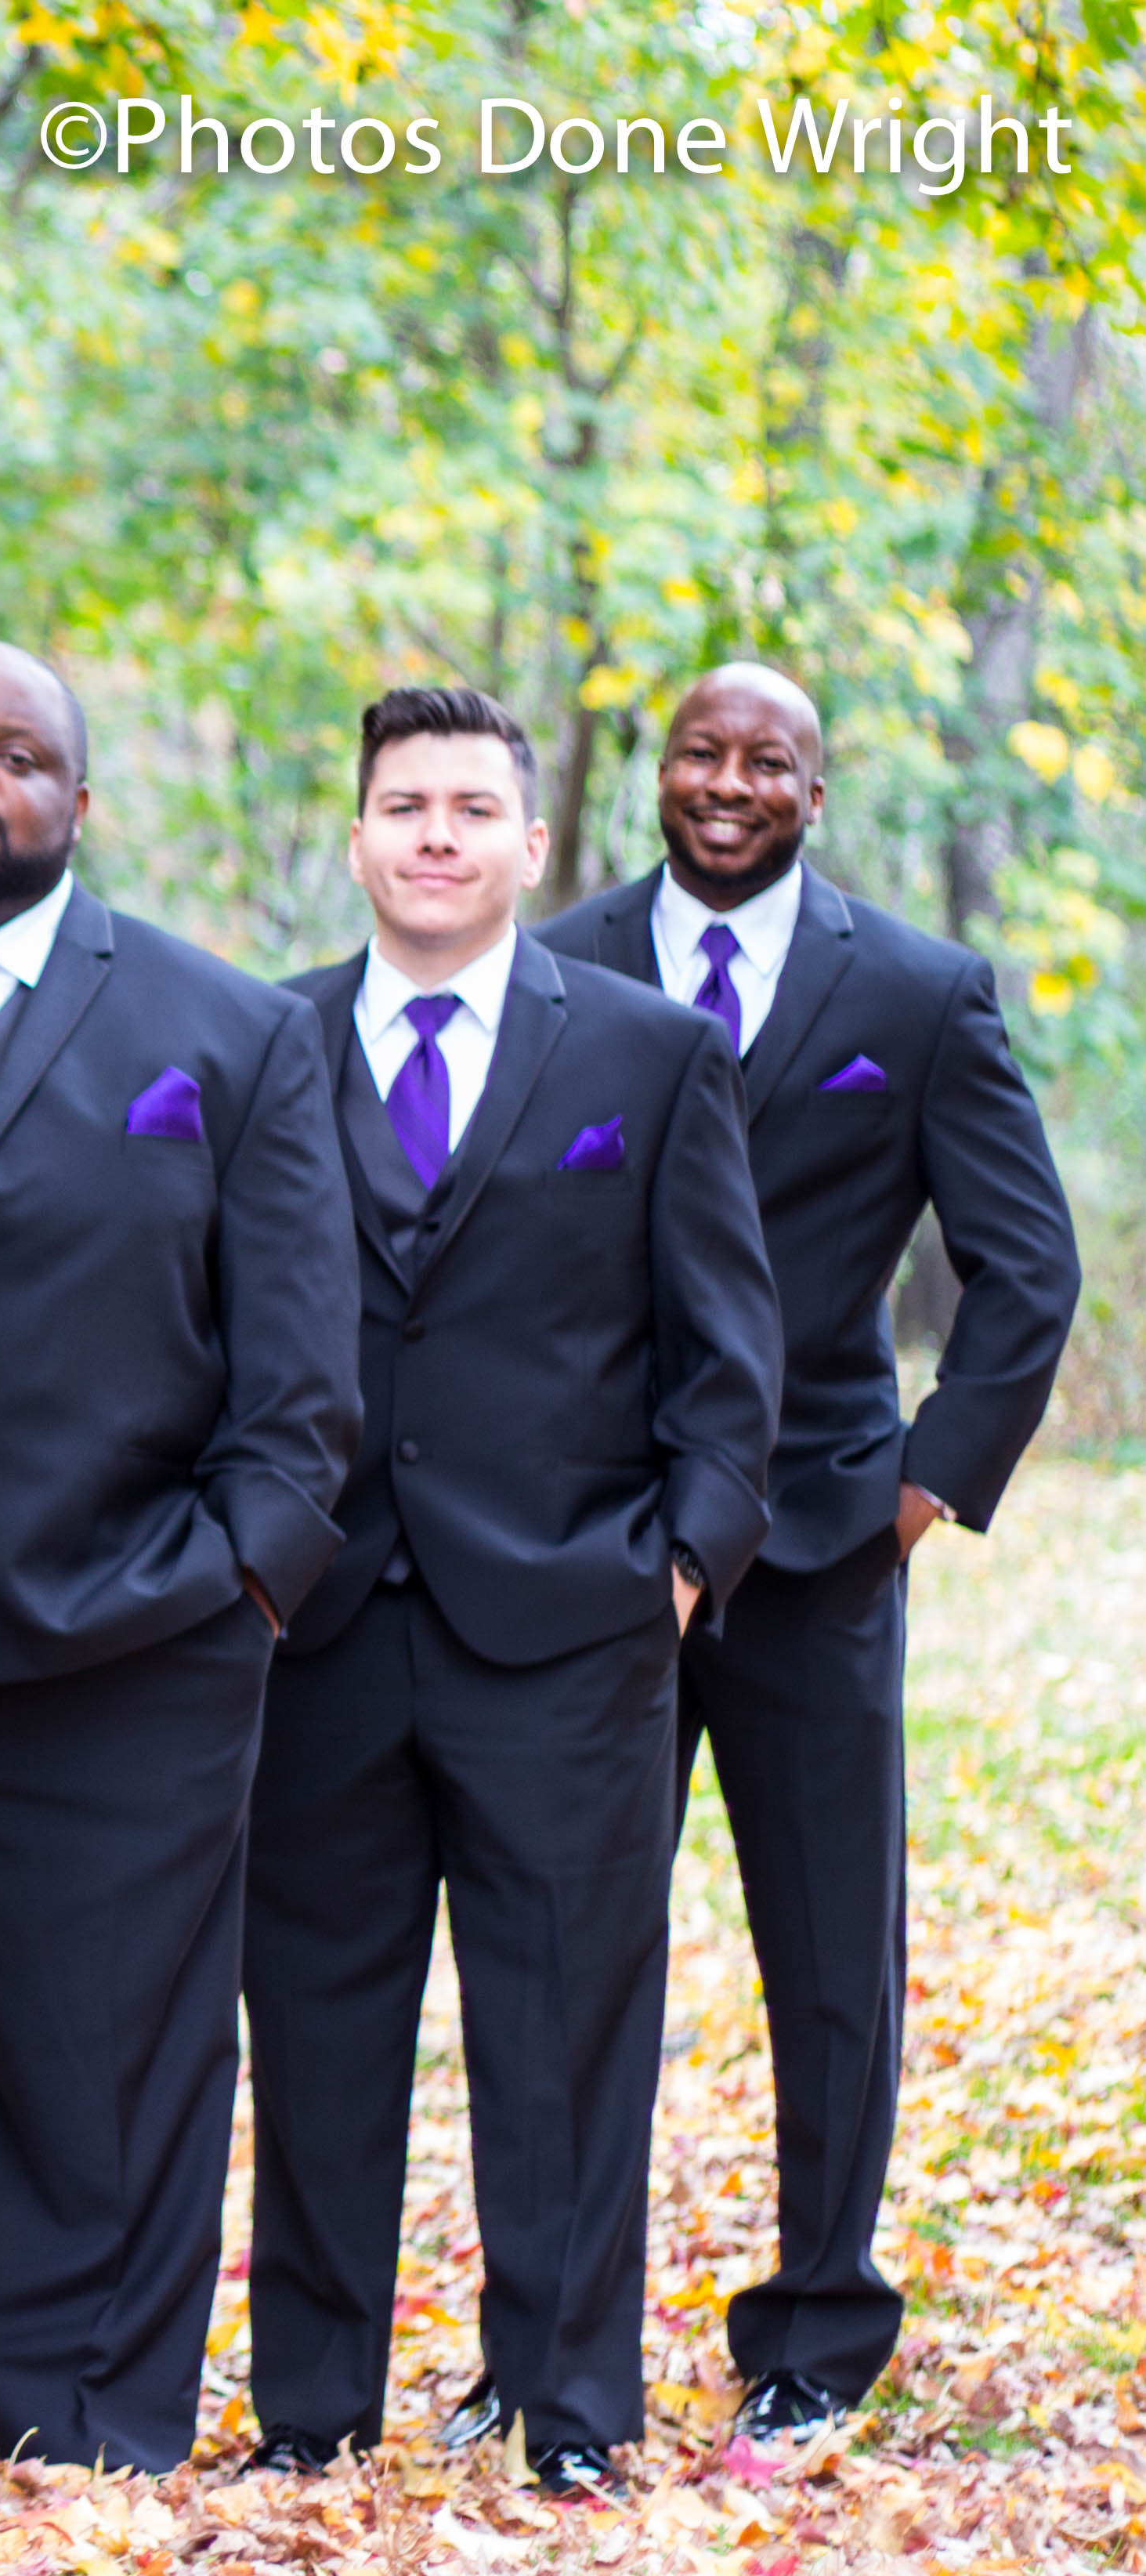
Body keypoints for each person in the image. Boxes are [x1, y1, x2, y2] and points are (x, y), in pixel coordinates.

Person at [0, 641, 359, 2472]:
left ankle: (93, 2429)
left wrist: (243, 1583)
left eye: (16, 755)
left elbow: (302, 1376)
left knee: (108, 2064)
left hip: (119, 1634)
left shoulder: (230, 1033)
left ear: (81, 800)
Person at [240, 685, 781, 2497]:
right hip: (319, 1633)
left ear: (533, 845)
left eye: (473, 808)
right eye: (406, 805)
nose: (438, 835)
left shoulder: (649, 1056)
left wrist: (678, 1575)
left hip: (571, 1635)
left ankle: (573, 2411)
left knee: (566, 2039)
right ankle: (311, 2412)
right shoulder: (266, 1043)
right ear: (358, 837)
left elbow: (731, 1361)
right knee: (317, 2035)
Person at [537, 664, 1078, 2438]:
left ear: (815, 794)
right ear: (659, 772)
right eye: (700, 751)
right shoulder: (560, 964)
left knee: (834, 1954)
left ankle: (817, 2336)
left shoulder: (917, 994)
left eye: (767, 760)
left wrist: (924, 1488)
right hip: (602, 1540)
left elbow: (1027, 1267)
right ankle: (553, 2337)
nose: (728, 781)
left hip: (824, 1542)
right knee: (566, 1951)